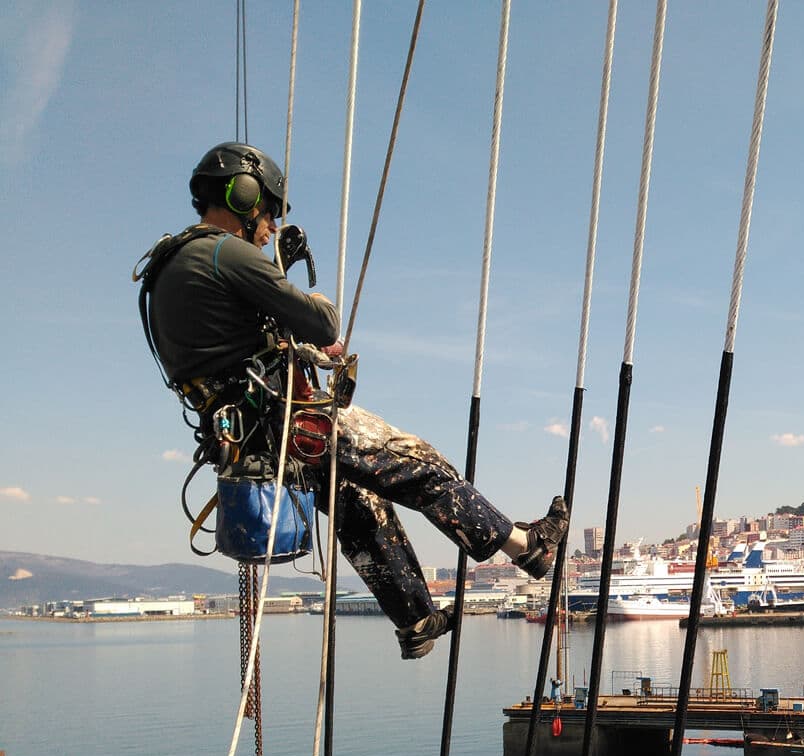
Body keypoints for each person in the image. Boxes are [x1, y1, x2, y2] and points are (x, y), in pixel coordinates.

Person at [139, 142, 567, 659]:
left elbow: (232, 341)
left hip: (247, 437)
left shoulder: (169, 264)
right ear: (244, 194)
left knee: (358, 507)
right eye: (269, 212)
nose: (271, 227)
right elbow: (324, 323)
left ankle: (416, 620)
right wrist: (303, 295)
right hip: (288, 420)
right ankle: (528, 547)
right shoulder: (224, 252)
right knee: (419, 466)